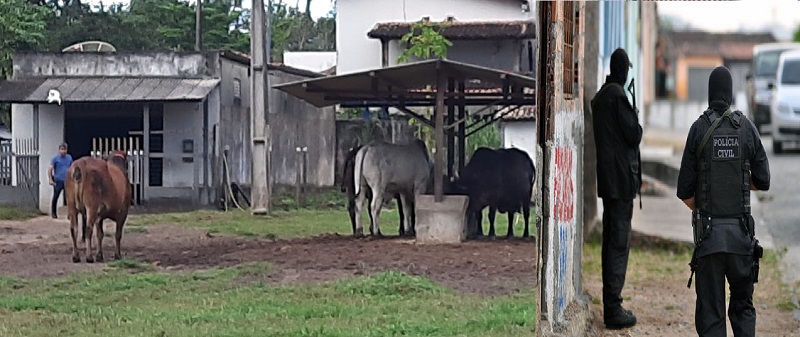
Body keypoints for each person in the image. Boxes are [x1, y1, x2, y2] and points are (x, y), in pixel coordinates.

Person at [677, 66, 770, 337]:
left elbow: (684, 190)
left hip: (709, 240)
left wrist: (706, 204)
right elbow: (764, 180)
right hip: (742, 240)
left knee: (711, 316)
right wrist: (738, 181)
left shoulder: (698, 129)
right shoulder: (747, 129)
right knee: (742, 310)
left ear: (709, 94)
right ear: (730, 94)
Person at [591, 47, 641, 330]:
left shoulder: (603, 95)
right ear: (622, 70)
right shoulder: (617, 96)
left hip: (610, 182)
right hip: (620, 182)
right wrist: (633, 114)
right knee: (618, 244)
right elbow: (634, 134)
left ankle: (612, 303)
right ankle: (613, 307)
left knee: (611, 242)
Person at [48, 143, 73, 219]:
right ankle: (54, 213)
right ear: (59, 150)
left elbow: (72, 167)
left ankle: (70, 214)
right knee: (56, 196)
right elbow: (50, 169)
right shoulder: (55, 158)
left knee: (69, 198)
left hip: (67, 181)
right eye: (62, 149)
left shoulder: (69, 158)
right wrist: (50, 179)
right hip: (58, 180)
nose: (63, 151)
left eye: (64, 149)